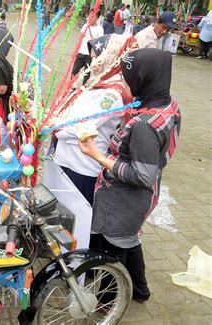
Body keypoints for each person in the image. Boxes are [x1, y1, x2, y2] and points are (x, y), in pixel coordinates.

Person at [79, 48, 181, 303]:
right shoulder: (167, 103)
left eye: (128, 78)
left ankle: (108, 303)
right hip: (141, 197)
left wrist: (98, 156)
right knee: (129, 240)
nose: (124, 83)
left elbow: (142, 175)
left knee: (114, 252)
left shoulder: (145, 126)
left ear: (145, 78)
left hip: (124, 201)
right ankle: (140, 291)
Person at [54, 34, 136, 205]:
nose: (93, 64)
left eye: (97, 57)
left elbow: (86, 126)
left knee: (76, 215)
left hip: (82, 165)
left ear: (112, 58)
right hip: (70, 158)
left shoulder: (112, 93)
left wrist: (53, 127)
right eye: (92, 58)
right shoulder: (99, 82)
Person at [72, 10, 104, 83]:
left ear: (97, 18)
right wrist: (75, 50)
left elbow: (100, 43)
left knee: (86, 76)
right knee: (74, 72)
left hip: (90, 55)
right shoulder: (85, 26)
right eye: (89, 16)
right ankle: (71, 89)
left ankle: (82, 92)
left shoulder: (100, 29)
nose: (90, 18)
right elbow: (80, 38)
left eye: (93, 17)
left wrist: (95, 40)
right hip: (81, 52)